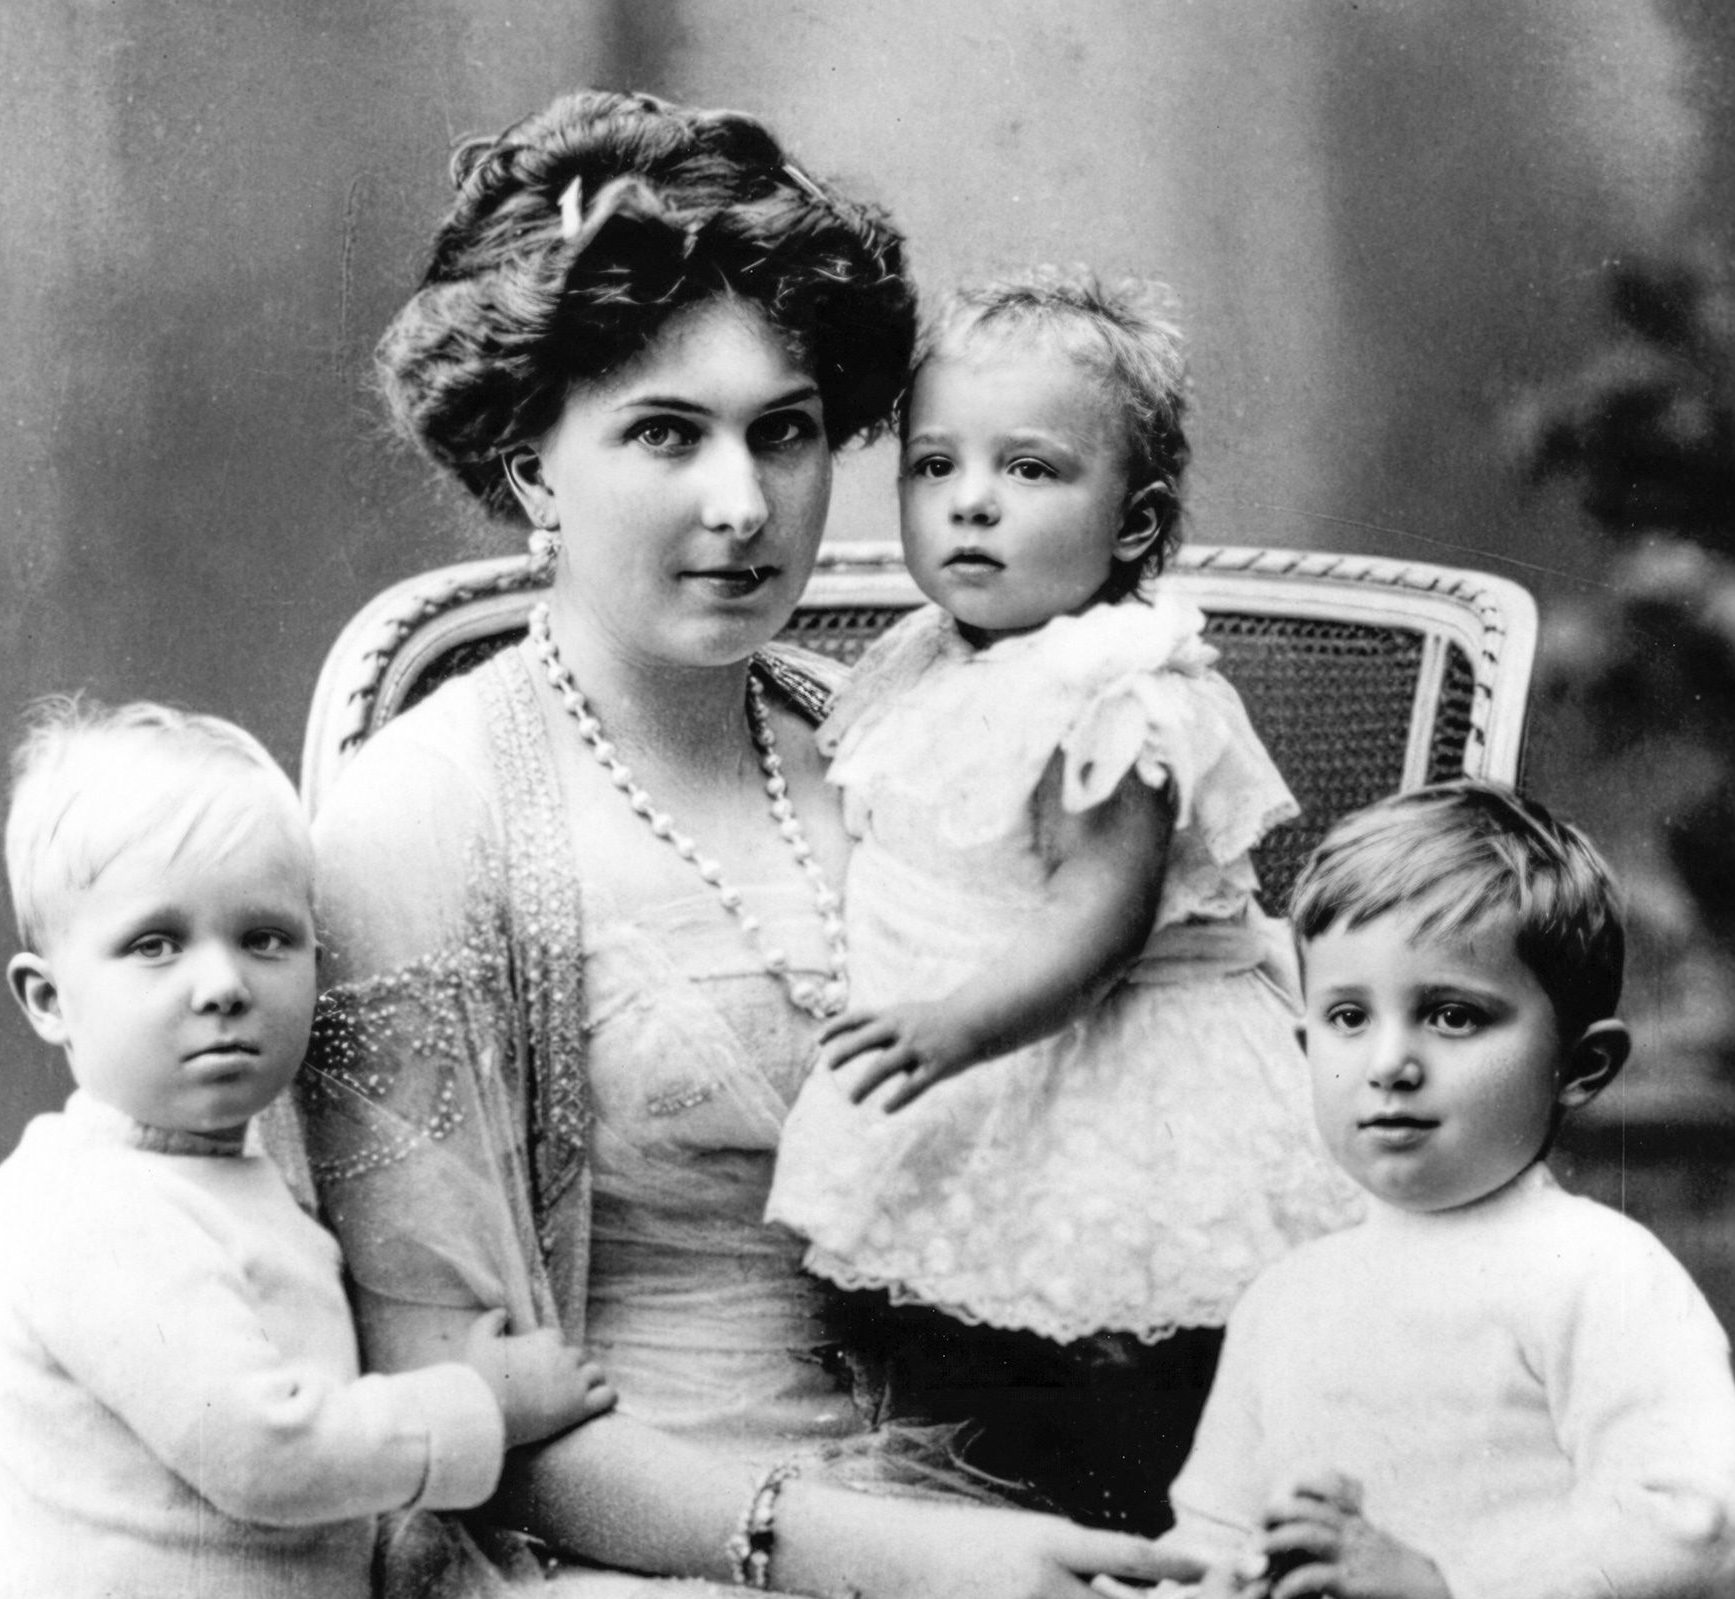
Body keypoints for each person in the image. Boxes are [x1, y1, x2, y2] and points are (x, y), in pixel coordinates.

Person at [297, 91, 1204, 1597]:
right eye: (666, 433)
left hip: (1021, 1502)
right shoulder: (421, 818)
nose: (743, 506)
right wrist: (901, 1560)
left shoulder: (906, 739)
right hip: (635, 1550)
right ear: (531, 464)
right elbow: (446, 1406)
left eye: (783, 432)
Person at [763, 270, 1360, 1530]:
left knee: (1120, 1345)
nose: (971, 501)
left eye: (1029, 470)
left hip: (1102, 1063)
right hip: (989, 1051)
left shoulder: (1114, 687)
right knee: (977, 1368)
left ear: (1133, 527)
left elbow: (1102, 917)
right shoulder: (930, 658)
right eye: (935, 466)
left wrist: (954, 1026)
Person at [0, 698, 614, 1598]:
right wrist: (488, 1405)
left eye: (264, 937)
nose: (223, 984)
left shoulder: (233, 1176)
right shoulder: (89, 1204)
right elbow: (260, 1454)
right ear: (49, 999)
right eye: (155, 945)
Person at [1164, 782, 1735, 1599]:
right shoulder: (1284, 1297)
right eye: (1348, 1018)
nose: (1388, 1063)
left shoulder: (1599, 1270)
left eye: (1452, 1015)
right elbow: (1214, 1535)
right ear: (1303, 1046)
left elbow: (1693, 1527)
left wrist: (1448, 1584)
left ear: (1580, 1065)